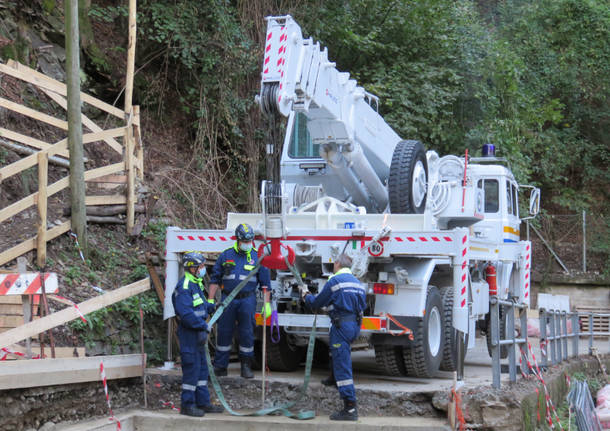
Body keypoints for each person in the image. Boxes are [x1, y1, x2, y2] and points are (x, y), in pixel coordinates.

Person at [300, 253, 365, 421]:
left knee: (343, 363)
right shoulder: (357, 283)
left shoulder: (335, 281)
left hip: (341, 326)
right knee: (338, 352)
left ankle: (350, 408)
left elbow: (316, 303)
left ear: (337, 264)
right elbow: (361, 306)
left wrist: (306, 296)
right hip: (354, 325)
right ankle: (333, 378)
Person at [208, 223, 271, 379]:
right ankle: (220, 367)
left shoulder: (259, 256)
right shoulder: (226, 255)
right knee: (224, 332)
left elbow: (265, 285)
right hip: (227, 299)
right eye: (245, 241)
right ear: (238, 240)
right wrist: (210, 300)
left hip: (247, 300)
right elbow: (214, 280)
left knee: (247, 333)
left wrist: (267, 305)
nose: (247, 244)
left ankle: (246, 366)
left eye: (250, 241)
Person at [172, 251, 224, 417]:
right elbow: (186, 315)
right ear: (192, 268)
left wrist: (212, 307)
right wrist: (203, 325)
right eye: (200, 266)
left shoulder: (197, 283)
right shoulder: (185, 286)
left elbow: (198, 307)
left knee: (202, 370)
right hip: (190, 335)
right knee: (192, 370)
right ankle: (187, 405)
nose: (203, 269)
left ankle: (203, 403)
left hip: (199, 335)